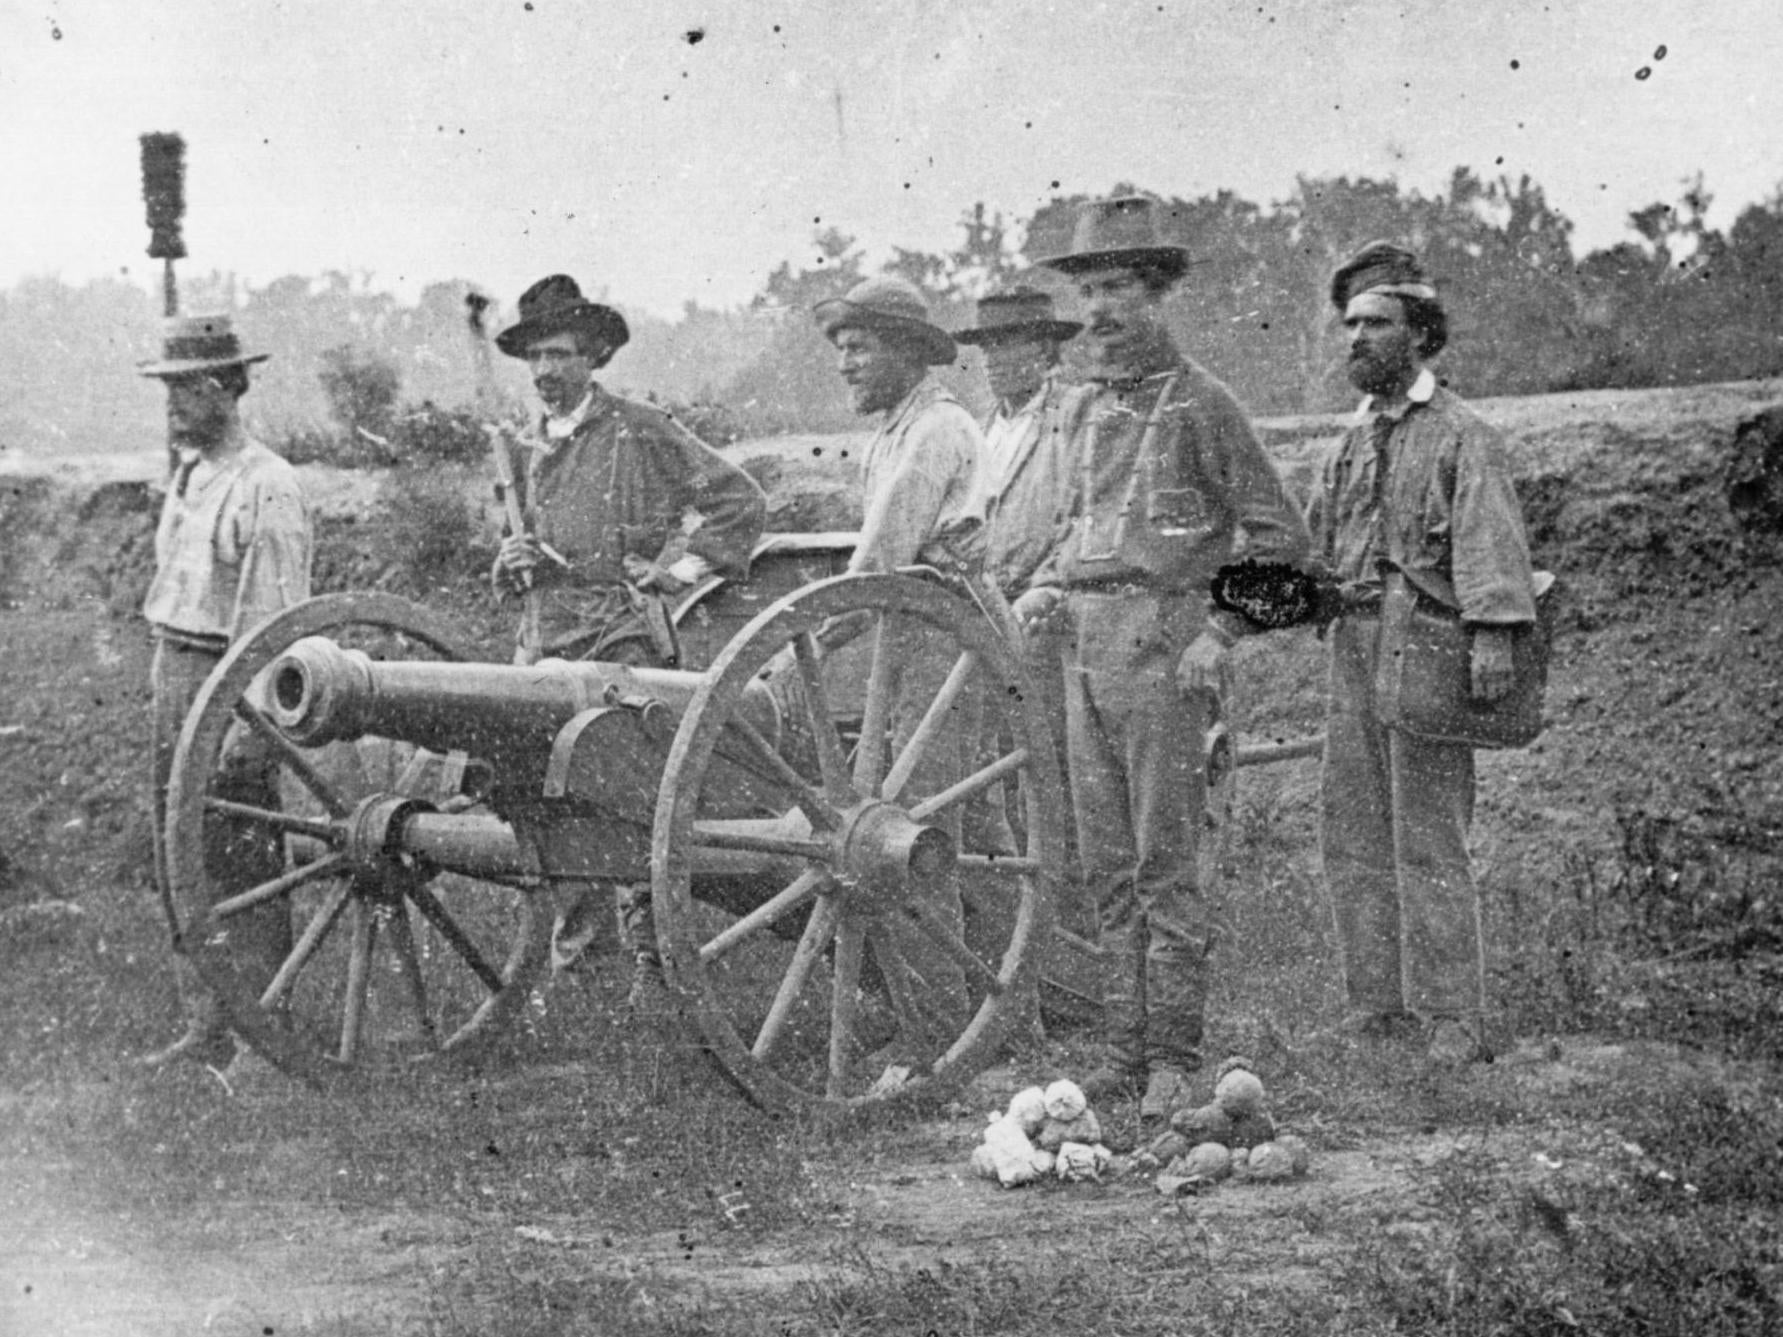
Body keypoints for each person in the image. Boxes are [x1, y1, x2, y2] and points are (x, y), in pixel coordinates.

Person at [1014, 197, 1311, 1119]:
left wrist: (1217, 635)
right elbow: (1078, 532)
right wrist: (1051, 587)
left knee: (1164, 866)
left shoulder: (1202, 404)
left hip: (1162, 653)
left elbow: (1286, 546)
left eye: (1117, 292)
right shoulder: (1083, 413)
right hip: (1085, 652)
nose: (1099, 312)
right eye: (1088, 292)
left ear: (1157, 297)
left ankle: (1176, 1057)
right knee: (1102, 863)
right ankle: (1122, 1052)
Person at [490, 274, 768, 1007]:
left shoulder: (638, 427)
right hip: (543, 644)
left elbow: (738, 500)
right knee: (555, 810)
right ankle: (583, 976)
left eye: (559, 355)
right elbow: (520, 549)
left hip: (619, 644)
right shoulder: (524, 448)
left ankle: (655, 972)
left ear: (593, 356)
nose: (546, 373)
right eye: (535, 359)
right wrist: (509, 561)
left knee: (629, 809)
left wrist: (676, 572)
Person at [1305, 242, 1538, 1066]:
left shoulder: (1462, 437)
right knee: (1351, 833)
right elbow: (1314, 547)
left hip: (1430, 646)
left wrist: (1493, 636)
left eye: (1374, 323)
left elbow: (1489, 542)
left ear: (1419, 334)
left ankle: (1451, 1018)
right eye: (1348, 324)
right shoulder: (1344, 442)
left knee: (1428, 836)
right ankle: (1374, 1010)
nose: (1354, 339)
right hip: (1353, 648)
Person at [812, 275, 988, 1089]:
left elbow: (879, 563)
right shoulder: (894, 430)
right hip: (909, 643)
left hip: (942, 648)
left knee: (909, 837)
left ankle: (940, 1039)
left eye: (859, 345)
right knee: (923, 825)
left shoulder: (937, 430)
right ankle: (957, 1009)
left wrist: (796, 652)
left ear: (908, 351)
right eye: (840, 346)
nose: (845, 362)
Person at [138, 314, 313, 1068]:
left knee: (240, 854)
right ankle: (204, 1019)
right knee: (180, 848)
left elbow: (276, 619)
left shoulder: (267, 483)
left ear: (225, 387)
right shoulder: (187, 474)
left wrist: (252, 721)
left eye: (186, 389)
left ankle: (260, 1031)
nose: (174, 405)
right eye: (168, 389)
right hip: (173, 671)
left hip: (227, 681)